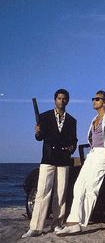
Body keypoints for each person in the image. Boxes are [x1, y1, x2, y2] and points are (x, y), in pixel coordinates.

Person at [56, 90, 105, 236]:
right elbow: (91, 139)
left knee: (91, 188)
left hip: (103, 154)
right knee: (78, 186)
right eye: (93, 99)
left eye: (97, 99)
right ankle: (72, 222)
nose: (94, 101)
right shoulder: (94, 119)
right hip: (92, 154)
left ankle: (78, 223)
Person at [22, 89, 77, 238]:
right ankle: (35, 228)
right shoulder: (44, 117)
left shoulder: (72, 120)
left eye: (64, 99)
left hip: (64, 160)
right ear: (55, 100)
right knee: (42, 193)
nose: (62, 101)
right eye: (59, 98)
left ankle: (57, 225)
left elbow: (74, 140)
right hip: (48, 158)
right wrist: (37, 132)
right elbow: (39, 138)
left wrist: (72, 147)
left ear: (68, 101)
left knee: (60, 194)